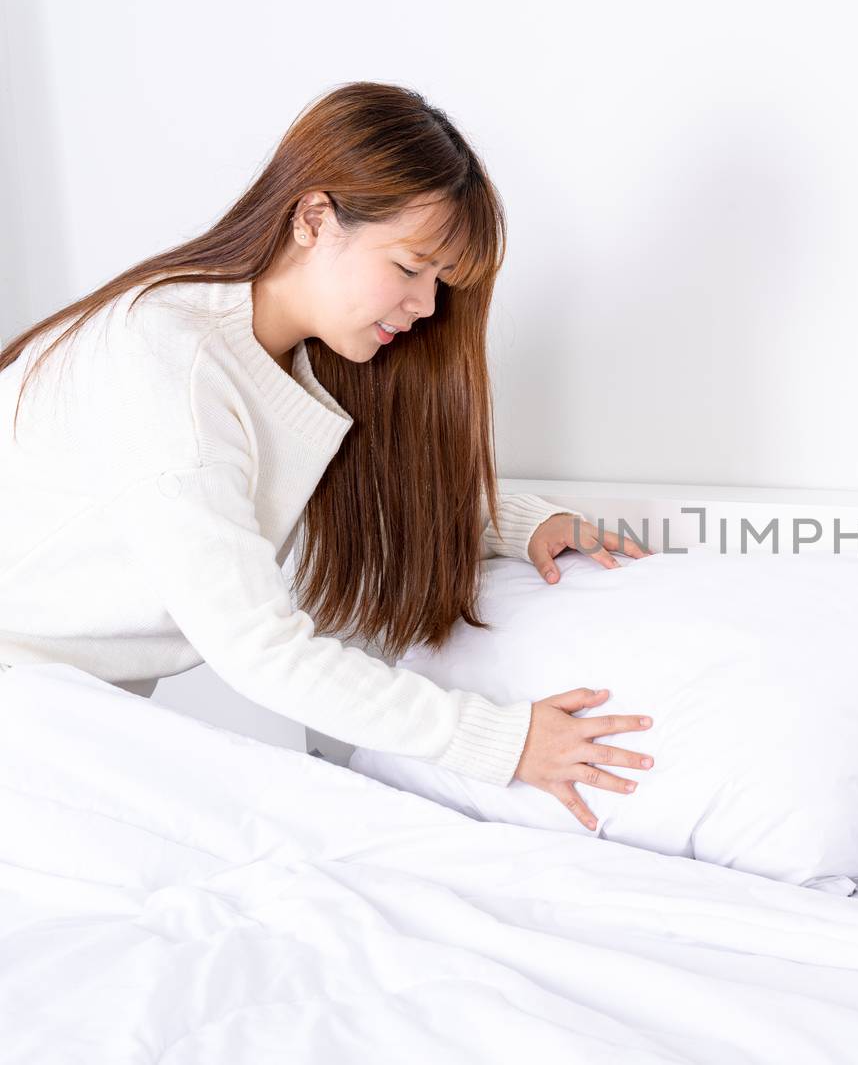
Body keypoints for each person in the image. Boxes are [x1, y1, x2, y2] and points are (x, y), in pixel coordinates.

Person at [0, 81, 652, 832]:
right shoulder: (171, 359)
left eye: (441, 282)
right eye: (411, 267)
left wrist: (517, 523)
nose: (427, 306)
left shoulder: (285, 364)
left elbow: (354, 495)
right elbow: (261, 650)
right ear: (315, 217)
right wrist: (502, 740)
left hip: (61, 720)